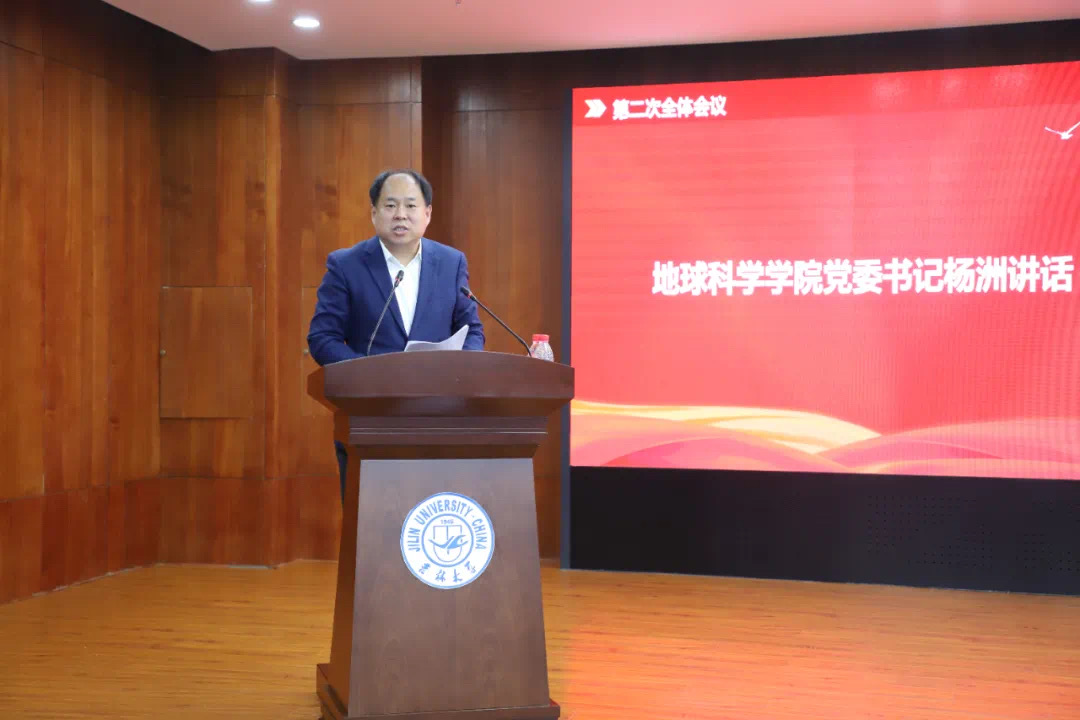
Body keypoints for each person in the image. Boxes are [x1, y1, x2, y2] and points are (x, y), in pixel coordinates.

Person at [307, 169, 486, 500]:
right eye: (390, 205)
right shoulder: (346, 265)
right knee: (373, 517)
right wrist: (369, 373)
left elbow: (472, 330)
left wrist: (460, 370)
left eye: (410, 205)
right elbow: (322, 338)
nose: (400, 214)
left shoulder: (451, 263)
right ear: (374, 213)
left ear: (427, 213)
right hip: (370, 419)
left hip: (439, 417)